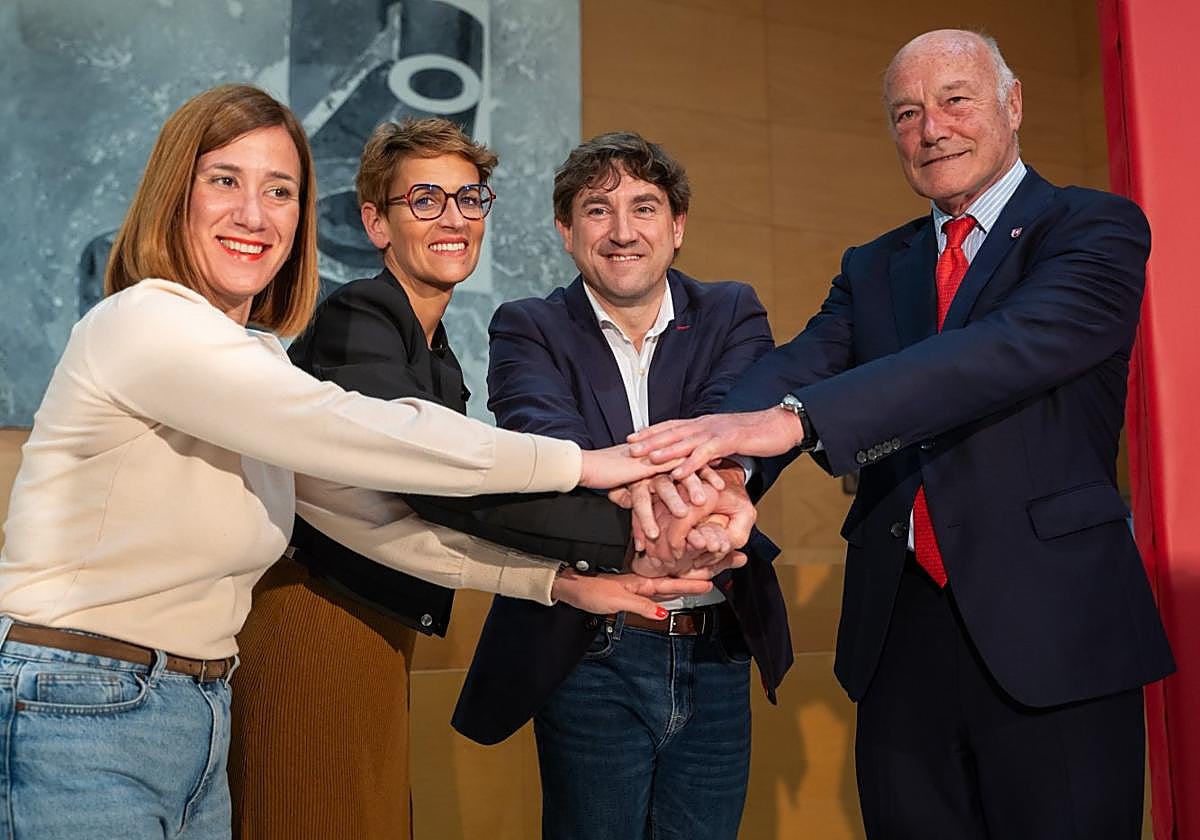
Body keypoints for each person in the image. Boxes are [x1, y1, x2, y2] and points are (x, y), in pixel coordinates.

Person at [0, 84, 709, 840]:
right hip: (78, 695)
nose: (254, 214)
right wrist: (588, 465)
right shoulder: (144, 321)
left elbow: (370, 519)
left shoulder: (257, 360)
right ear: (175, 192)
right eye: (224, 181)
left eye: (280, 191)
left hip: (195, 705)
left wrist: (560, 585)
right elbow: (373, 438)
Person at [628, 30, 1176, 840]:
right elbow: (801, 362)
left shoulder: (1093, 228)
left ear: (1012, 104)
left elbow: (995, 355)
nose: (931, 129)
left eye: (955, 101)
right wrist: (727, 469)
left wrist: (797, 421)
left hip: (1057, 635)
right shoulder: (876, 265)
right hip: (900, 639)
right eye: (907, 113)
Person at [228, 117, 744, 839]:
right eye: (426, 200)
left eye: (469, 199)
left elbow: (440, 509)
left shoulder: (434, 351)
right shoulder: (362, 313)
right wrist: (632, 534)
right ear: (377, 222)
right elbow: (444, 485)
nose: (454, 219)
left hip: (368, 617)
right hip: (314, 614)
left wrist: (570, 576)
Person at [451, 132, 792, 840]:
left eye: (644, 207)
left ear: (677, 226)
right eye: (597, 210)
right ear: (566, 231)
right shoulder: (529, 326)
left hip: (718, 643)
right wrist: (674, 492)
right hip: (592, 648)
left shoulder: (732, 311)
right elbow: (551, 438)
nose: (623, 230)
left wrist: (659, 478)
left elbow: (734, 419)